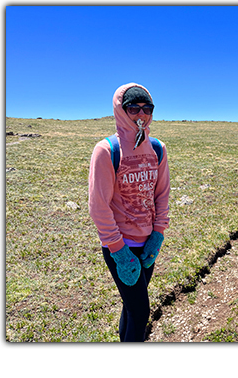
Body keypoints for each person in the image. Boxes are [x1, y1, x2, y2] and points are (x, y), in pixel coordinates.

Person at [88, 83, 170, 342]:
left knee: (131, 304)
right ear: (120, 110)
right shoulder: (106, 150)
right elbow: (98, 206)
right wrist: (118, 250)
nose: (141, 115)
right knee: (140, 309)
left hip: (148, 244)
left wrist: (158, 234)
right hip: (121, 247)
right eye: (133, 108)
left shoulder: (158, 149)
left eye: (147, 108)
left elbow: (162, 194)